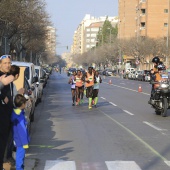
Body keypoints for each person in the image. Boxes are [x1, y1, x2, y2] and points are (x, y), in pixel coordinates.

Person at [5, 65, 21, 166]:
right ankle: (7, 157)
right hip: (7, 115)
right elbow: (13, 101)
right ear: (17, 75)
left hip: (8, 114)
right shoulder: (8, 85)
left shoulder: (11, 85)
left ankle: (8, 156)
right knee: (9, 138)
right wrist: (20, 95)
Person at [0, 55, 14, 170]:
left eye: (9, 63)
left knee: (3, 145)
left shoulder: (8, 77)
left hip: (6, 118)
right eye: (5, 63)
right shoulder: (2, 78)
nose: (7, 65)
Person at [11, 94, 30, 170]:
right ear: (22, 104)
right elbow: (22, 131)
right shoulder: (19, 117)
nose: (26, 104)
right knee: (20, 160)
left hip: (18, 141)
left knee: (20, 158)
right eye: (25, 103)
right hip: (21, 142)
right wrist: (25, 143)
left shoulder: (17, 113)